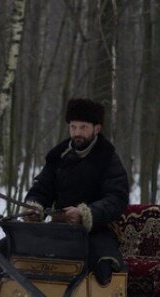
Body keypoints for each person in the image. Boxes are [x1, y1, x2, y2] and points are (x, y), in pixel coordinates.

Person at [24, 98, 129, 285]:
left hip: (97, 230)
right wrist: (35, 208)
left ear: (96, 129)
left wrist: (85, 214)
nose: (77, 133)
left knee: (103, 264)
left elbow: (117, 198)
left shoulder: (108, 158)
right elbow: (42, 189)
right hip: (59, 227)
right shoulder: (58, 156)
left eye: (83, 127)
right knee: (7, 251)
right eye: (73, 127)